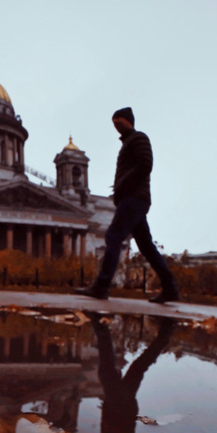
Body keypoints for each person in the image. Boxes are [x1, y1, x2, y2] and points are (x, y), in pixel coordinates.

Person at [79, 107, 179, 303]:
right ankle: (170, 288)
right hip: (133, 198)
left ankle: (102, 285)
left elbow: (145, 164)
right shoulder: (128, 143)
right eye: (114, 123)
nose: (116, 125)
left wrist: (123, 185)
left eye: (119, 121)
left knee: (113, 235)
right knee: (146, 246)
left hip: (134, 198)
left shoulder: (139, 138)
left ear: (129, 121)